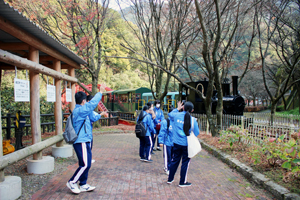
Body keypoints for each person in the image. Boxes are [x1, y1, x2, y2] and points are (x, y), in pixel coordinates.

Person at [66, 91, 102, 194]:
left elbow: (93, 116)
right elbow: (92, 104)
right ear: (83, 101)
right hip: (80, 141)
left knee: (87, 163)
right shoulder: (79, 111)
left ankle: (83, 184)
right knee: (85, 164)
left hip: (85, 140)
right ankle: (72, 182)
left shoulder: (83, 111)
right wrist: (100, 93)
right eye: (86, 100)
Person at [167, 101, 200, 188]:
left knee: (175, 160)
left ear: (183, 108)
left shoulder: (176, 115)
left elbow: (170, 114)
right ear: (192, 110)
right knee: (185, 163)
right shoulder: (193, 120)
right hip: (187, 145)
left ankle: (170, 179)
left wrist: (178, 108)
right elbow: (197, 133)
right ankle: (182, 182)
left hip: (176, 143)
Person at [86, 95, 107, 163]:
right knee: (89, 146)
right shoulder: (88, 109)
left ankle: (86, 159)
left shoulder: (84, 108)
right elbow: (93, 118)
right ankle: (88, 160)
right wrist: (101, 114)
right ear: (89, 101)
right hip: (87, 131)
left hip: (86, 130)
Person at [158, 106, 175, 175]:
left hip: (174, 142)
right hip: (167, 142)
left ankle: (171, 168)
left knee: (173, 156)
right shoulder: (165, 122)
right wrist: (161, 141)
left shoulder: (176, 122)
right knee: (167, 156)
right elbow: (162, 132)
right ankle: (167, 168)